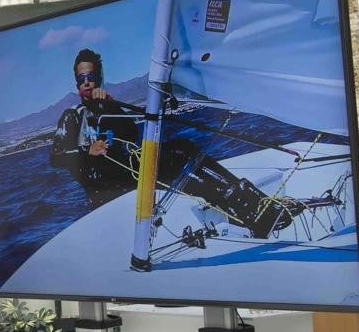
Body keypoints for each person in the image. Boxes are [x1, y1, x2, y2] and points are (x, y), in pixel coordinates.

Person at [50, 48, 301, 238]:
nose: (86, 82)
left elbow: (130, 135)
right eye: (81, 78)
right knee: (177, 168)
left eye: (91, 76)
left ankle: (249, 202)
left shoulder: (109, 106)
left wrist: (110, 106)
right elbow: (57, 157)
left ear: (99, 78)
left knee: (184, 148)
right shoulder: (72, 116)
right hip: (107, 191)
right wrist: (87, 150)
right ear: (76, 82)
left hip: (128, 172)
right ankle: (244, 210)